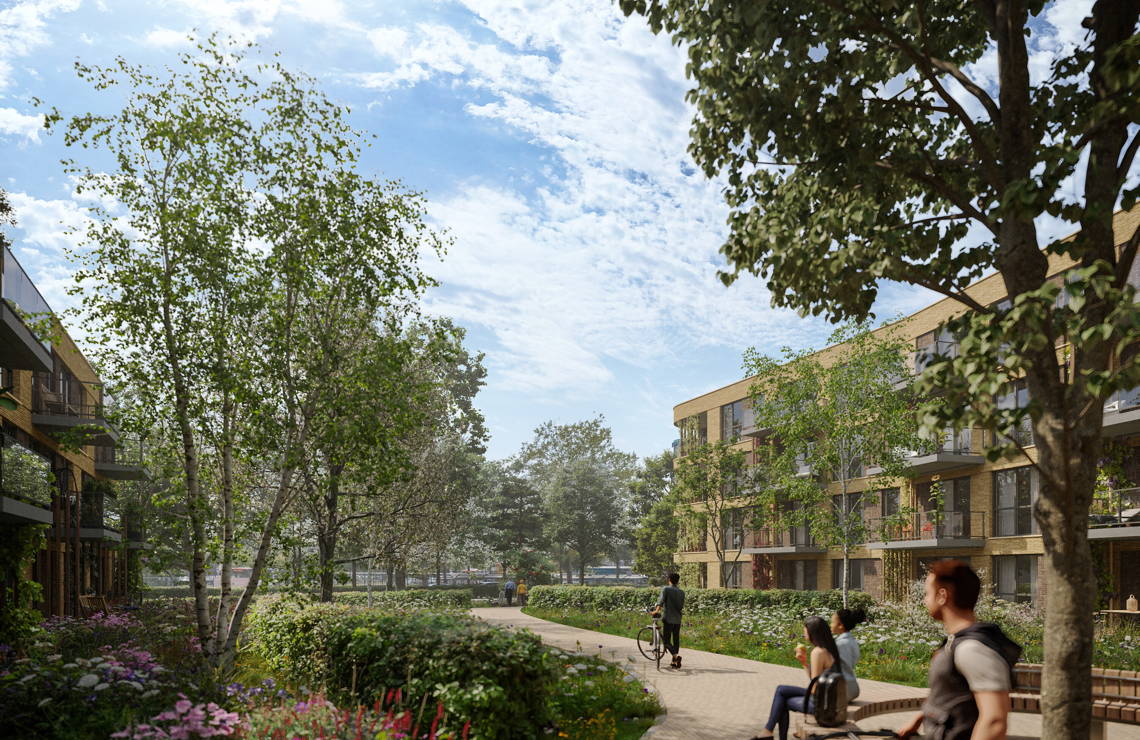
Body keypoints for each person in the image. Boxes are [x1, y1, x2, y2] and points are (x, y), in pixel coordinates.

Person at [897, 559, 1021, 740]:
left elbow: (994, 721)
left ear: (942, 595)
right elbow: (953, 695)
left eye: (927, 593)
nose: (924, 600)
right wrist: (920, 717)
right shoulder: (957, 642)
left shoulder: (972, 649)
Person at [752, 616, 840, 740]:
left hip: (821, 705)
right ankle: (768, 731)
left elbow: (814, 689)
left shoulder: (818, 652)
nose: (804, 633)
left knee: (782, 698)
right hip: (829, 701)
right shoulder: (830, 650)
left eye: (805, 630)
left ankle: (768, 731)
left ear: (813, 632)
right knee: (781, 691)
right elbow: (816, 681)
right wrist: (804, 662)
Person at [831, 607, 866, 701]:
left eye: (832, 622)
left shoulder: (839, 644)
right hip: (853, 688)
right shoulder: (853, 642)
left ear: (840, 625)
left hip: (842, 690)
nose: (830, 625)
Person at [652, 572, 685, 669]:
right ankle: (674, 662)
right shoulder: (681, 592)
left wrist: (656, 611)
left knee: (666, 641)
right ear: (678, 581)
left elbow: (661, 601)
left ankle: (676, 656)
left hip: (668, 619)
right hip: (678, 619)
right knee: (676, 640)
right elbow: (681, 606)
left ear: (669, 580)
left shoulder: (666, 589)